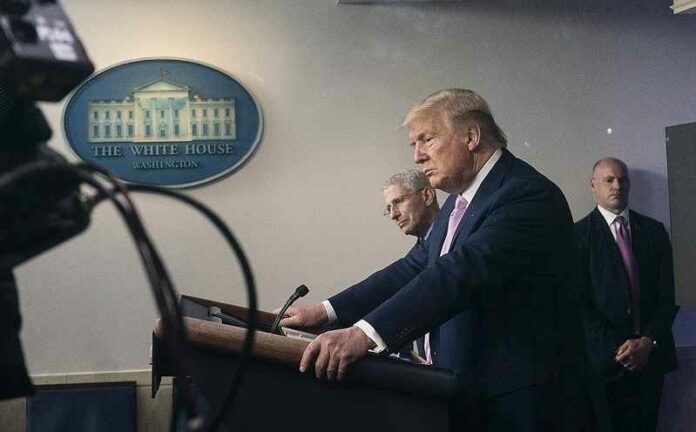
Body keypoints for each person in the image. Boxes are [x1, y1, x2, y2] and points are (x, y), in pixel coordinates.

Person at [281, 88, 590, 431]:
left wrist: (364, 335)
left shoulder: (526, 194)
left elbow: (459, 272)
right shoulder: (458, 203)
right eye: (414, 145)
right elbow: (411, 268)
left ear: (471, 136)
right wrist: (325, 311)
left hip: (522, 404)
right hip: (470, 394)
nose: (417, 156)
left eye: (426, 140)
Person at [575, 157, 678, 432]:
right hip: (604, 364)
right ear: (593, 185)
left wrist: (647, 341)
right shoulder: (577, 236)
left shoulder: (654, 232)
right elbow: (579, 304)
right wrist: (618, 349)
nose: (617, 185)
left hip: (650, 360)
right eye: (609, 180)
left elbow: (669, 295)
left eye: (622, 179)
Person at [382, 169, 439, 241]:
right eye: (389, 209)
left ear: (427, 196)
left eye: (399, 202)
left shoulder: (452, 236)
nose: (393, 215)